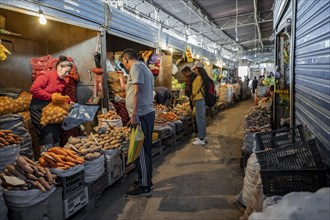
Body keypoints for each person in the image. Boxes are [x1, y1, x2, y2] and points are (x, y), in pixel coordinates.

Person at [121, 48, 155, 197]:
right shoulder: (144, 67)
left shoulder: (135, 67)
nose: (125, 66)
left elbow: (138, 91)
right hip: (146, 114)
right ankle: (146, 179)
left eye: (124, 63)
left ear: (126, 60)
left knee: (140, 150)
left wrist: (134, 115)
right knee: (145, 149)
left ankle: (145, 186)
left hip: (141, 115)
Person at [29, 55, 72, 148]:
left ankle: (56, 153)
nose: (67, 74)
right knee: (46, 132)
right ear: (59, 67)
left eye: (69, 72)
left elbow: (62, 97)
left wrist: (69, 102)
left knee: (55, 130)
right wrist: (51, 97)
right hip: (39, 108)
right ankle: (46, 156)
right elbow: (34, 89)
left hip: (52, 110)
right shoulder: (46, 75)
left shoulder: (63, 82)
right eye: (66, 71)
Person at [191, 61, 208, 146]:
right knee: (202, 118)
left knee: (200, 119)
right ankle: (203, 136)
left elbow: (194, 91)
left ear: (197, 69)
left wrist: (192, 98)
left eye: (194, 69)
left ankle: (201, 139)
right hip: (202, 99)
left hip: (199, 99)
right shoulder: (203, 77)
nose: (194, 70)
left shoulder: (198, 78)